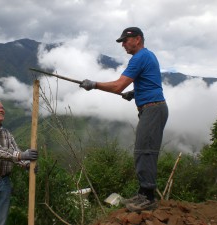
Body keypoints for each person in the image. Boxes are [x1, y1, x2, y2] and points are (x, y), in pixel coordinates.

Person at [79, 27, 168, 212]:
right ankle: (144, 192)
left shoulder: (139, 58)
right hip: (153, 108)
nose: (123, 45)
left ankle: (148, 197)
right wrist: (135, 93)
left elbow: (118, 85)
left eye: (125, 41)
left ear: (137, 39)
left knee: (145, 152)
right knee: (144, 151)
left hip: (152, 110)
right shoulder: (148, 56)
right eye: (122, 42)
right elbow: (151, 82)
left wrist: (94, 84)